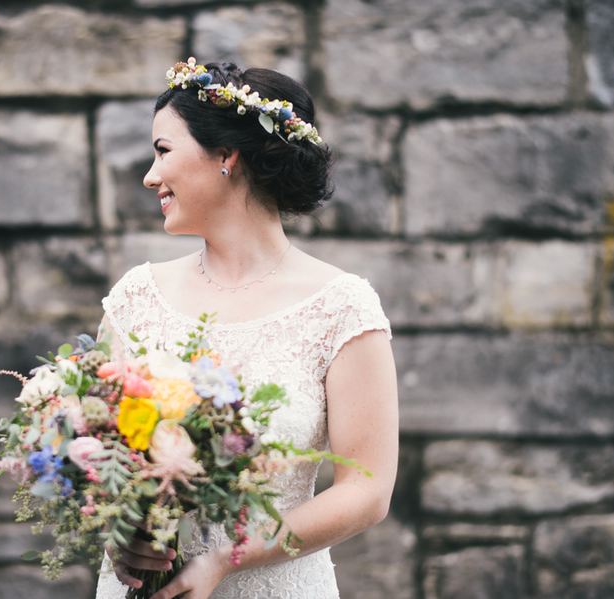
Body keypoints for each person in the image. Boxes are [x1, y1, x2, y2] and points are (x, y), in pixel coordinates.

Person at [93, 58, 398, 599]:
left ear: (226, 156)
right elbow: (96, 453)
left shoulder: (341, 307)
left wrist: (225, 559)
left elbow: (367, 492)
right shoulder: (135, 299)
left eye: (163, 151)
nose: (149, 175)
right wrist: (122, 534)